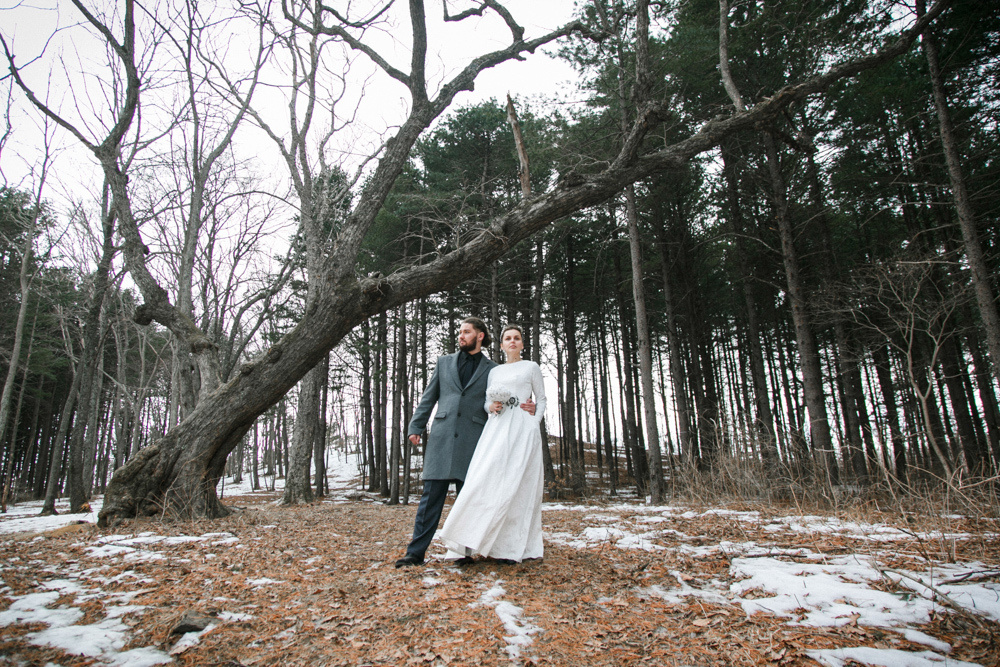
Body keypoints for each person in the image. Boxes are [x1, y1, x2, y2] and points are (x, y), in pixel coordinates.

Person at [395, 317, 534, 568]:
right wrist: (416, 426)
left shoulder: (492, 369)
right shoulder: (443, 363)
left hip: (474, 440)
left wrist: (530, 405)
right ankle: (415, 553)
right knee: (430, 499)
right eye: (460, 331)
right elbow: (429, 397)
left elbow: (509, 396)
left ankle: (463, 553)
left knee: (468, 498)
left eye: (466, 332)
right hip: (442, 437)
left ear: (480, 336)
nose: (461, 336)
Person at [437, 324, 547, 564]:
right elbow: (487, 403)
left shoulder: (531, 367)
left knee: (519, 486)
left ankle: (508, 548)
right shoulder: (494, 372)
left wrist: (533, 421)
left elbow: (542, 399)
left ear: (522, 343)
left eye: (517, 338)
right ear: (502, 344)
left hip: (523, 430)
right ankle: (464, 542)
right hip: (497, 429)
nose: (513, 342)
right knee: (485, 480)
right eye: (508, 338)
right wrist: (492, 407)